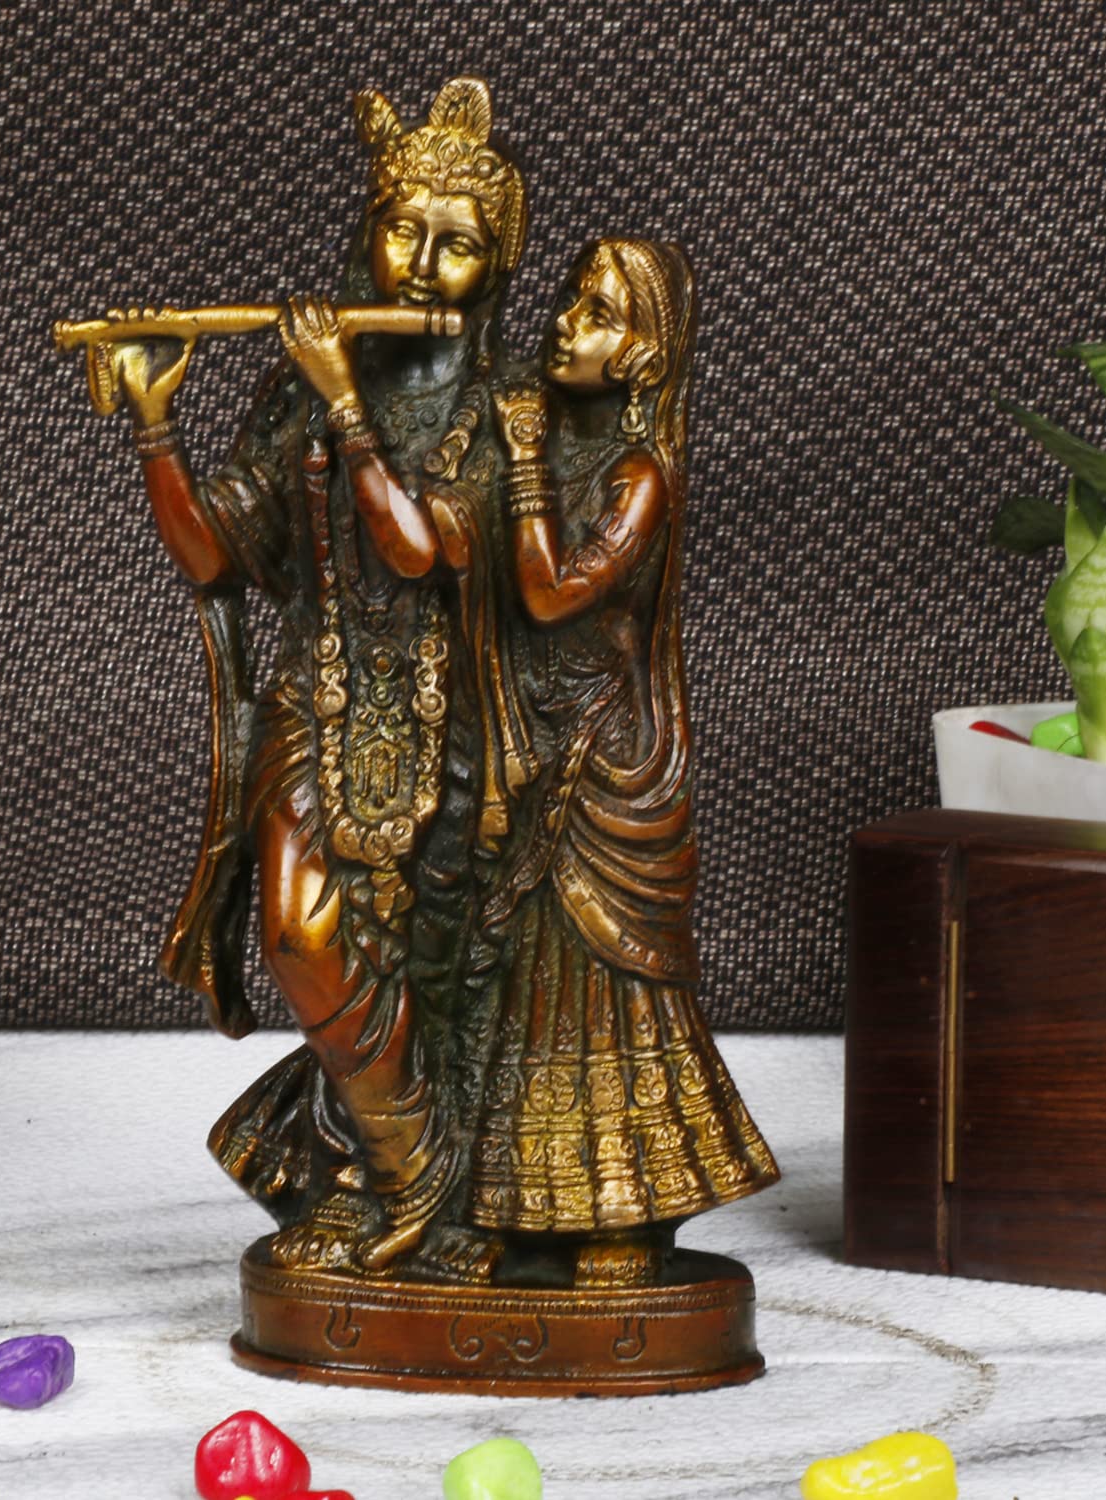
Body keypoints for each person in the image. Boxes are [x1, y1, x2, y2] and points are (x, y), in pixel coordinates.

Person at [94, 78, 527, 1275]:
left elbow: (419, 549)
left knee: (442, 963)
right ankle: (401, 1169)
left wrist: (348, 404)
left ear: (495, 268)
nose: (420, 266)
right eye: (403, 232)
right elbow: (215, 555)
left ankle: (421, 1196)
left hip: (457, 713)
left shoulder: (504, 407)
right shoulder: (298, 386)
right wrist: (156, 426)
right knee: (301, 931)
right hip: (316, 701)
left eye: (456, 245)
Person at [473, 239, 780, 1287]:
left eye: (599, 313)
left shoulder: (639, 477)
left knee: (602, 985)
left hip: (605, 760)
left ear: (646, 357)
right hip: (529, 745)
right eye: (570, 299)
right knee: (520, 983)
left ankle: (623, 1210)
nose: (565, 321)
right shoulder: (554, 450)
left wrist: (521, 463)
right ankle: (517, 1198)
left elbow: (553, 593)